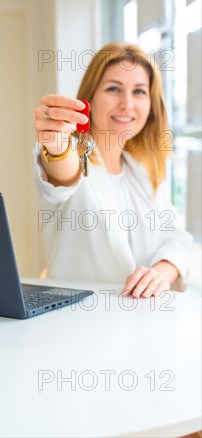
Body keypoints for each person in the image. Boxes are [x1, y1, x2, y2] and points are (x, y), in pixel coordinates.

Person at [34, 42, 191, 297]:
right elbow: (62, 175)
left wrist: (162, 271)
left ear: (150, 105)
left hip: (141, 322)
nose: (127, 104)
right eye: (114, 89)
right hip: (75, 322)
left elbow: (177, 237)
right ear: (90, 100)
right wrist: (57, 145)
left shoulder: (143, 169)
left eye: (139, 92)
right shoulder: (70, 149)